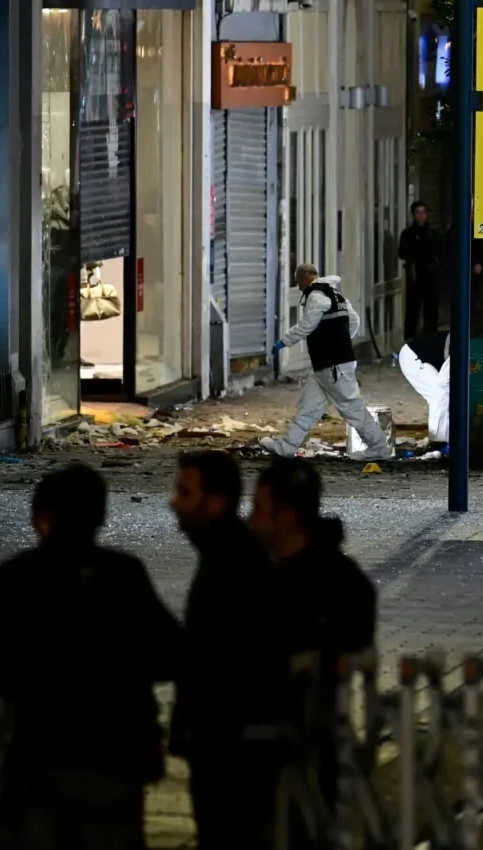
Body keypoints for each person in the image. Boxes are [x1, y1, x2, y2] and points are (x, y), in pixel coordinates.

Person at [0, 465, 180, 850]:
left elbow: (0, 661)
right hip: (114, 755)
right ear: (101, 517)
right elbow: (168, 654)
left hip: (39, 750)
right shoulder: (124, 575)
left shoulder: (10, 580)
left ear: (41, 518)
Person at [170, 451, 287, 850]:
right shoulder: (227, 553)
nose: (173, 501)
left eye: (184, 492)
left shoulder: (233, 562)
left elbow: (226, 654)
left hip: (231, 745)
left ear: (215, 502)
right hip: (229, 739)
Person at [260, 262, 391, 461]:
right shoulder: (336, 295)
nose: (298, 286)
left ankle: (379, 448)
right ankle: (286, 447)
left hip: (333, 366)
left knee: (352, 407)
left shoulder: (317, 295)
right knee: (308, 408)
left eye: (298, 281)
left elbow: (307, 325)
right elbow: (353, 320)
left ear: (304, 277)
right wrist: (342, 341)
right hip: (328, 367)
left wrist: (284, 342)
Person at [251, 458, 377, 660]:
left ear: (287, 516)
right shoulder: (265, 569)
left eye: (258, 508)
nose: (251, 519)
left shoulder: (336, 587)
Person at [399, 330, 450, 444]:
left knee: (446, 395)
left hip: (428, 357)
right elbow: (443, 382)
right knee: (439, 394)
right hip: (413, 355)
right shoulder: (461, 344)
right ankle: (437, 443)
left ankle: (445, 439)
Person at [398, 200, 440, 338]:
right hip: (416, 276)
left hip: (431, 276)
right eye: (418, 213)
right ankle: (410, 339)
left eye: (423, 213)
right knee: (413, 310)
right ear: (413, 214)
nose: (421, 216)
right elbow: (402, 253)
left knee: (431, 311)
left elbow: (439, 252)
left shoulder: (432, 233)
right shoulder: (408, 234)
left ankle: (430, 338)